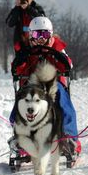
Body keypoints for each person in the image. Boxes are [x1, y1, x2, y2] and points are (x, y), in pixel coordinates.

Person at [9, 17, 81, 158]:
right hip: (31, 84)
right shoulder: (25, 48)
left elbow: (68, 66)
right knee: (20, 106)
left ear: (50, 35)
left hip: (53, 83)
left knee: (63, 102)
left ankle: (70, 138)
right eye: (37, 35)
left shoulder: (57, 47)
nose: (41, 39)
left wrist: (56, 55)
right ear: (30, 35)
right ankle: (22, 139)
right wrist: (23, 57)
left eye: (44, 35)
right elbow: (16, 70)